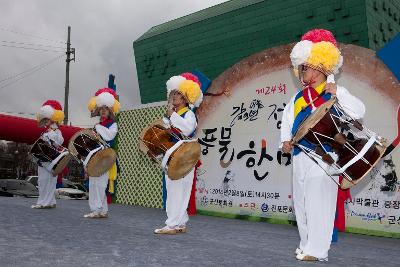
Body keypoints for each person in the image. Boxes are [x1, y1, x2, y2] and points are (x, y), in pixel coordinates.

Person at [281, 29, 366, 261]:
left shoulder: (335, 92)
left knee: (319, 204)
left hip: (324, 156)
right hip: (300, 155)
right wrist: (285, 142)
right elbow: (287, 121)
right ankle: (306, 244)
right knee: (302, 204)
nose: (300, 72)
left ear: (319, 66)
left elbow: (359, 111)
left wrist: (338, 93)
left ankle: (318, 250)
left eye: (304, 67)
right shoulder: (297, 98)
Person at [154, 73, 203, 234]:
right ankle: (180, 221)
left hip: (185, 156)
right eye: (173, 94)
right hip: (175, 156)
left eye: (178, 94)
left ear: (185, 98)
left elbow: (188, 129)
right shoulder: (172, 116)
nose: (174, 97)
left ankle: (172, 224)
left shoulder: (188, 114)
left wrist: (172, 115)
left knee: (179, 189)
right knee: (177, 189)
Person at [84, 88, 119, 218]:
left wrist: (98, 128)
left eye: (106, 108)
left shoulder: (113, 125)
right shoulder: (97, 125)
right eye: (101, 108)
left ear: (110, 110)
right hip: (96, 156)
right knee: (94, 182)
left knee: (99, 183)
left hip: (106, 157)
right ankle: (102, 210)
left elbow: (109, 136)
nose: (103, 111)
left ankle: (96, 210)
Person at [31, 100, 65, 209]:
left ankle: (44, 203)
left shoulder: (55, 130)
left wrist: (51, 134)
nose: (45, 122)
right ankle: (49, 201)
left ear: (53, 118)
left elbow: (60, 141)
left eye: (47, 119)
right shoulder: (47, 131)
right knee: (44, 181)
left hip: (50, 160)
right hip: (43, 160)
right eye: (44, 119)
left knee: (46, 181)